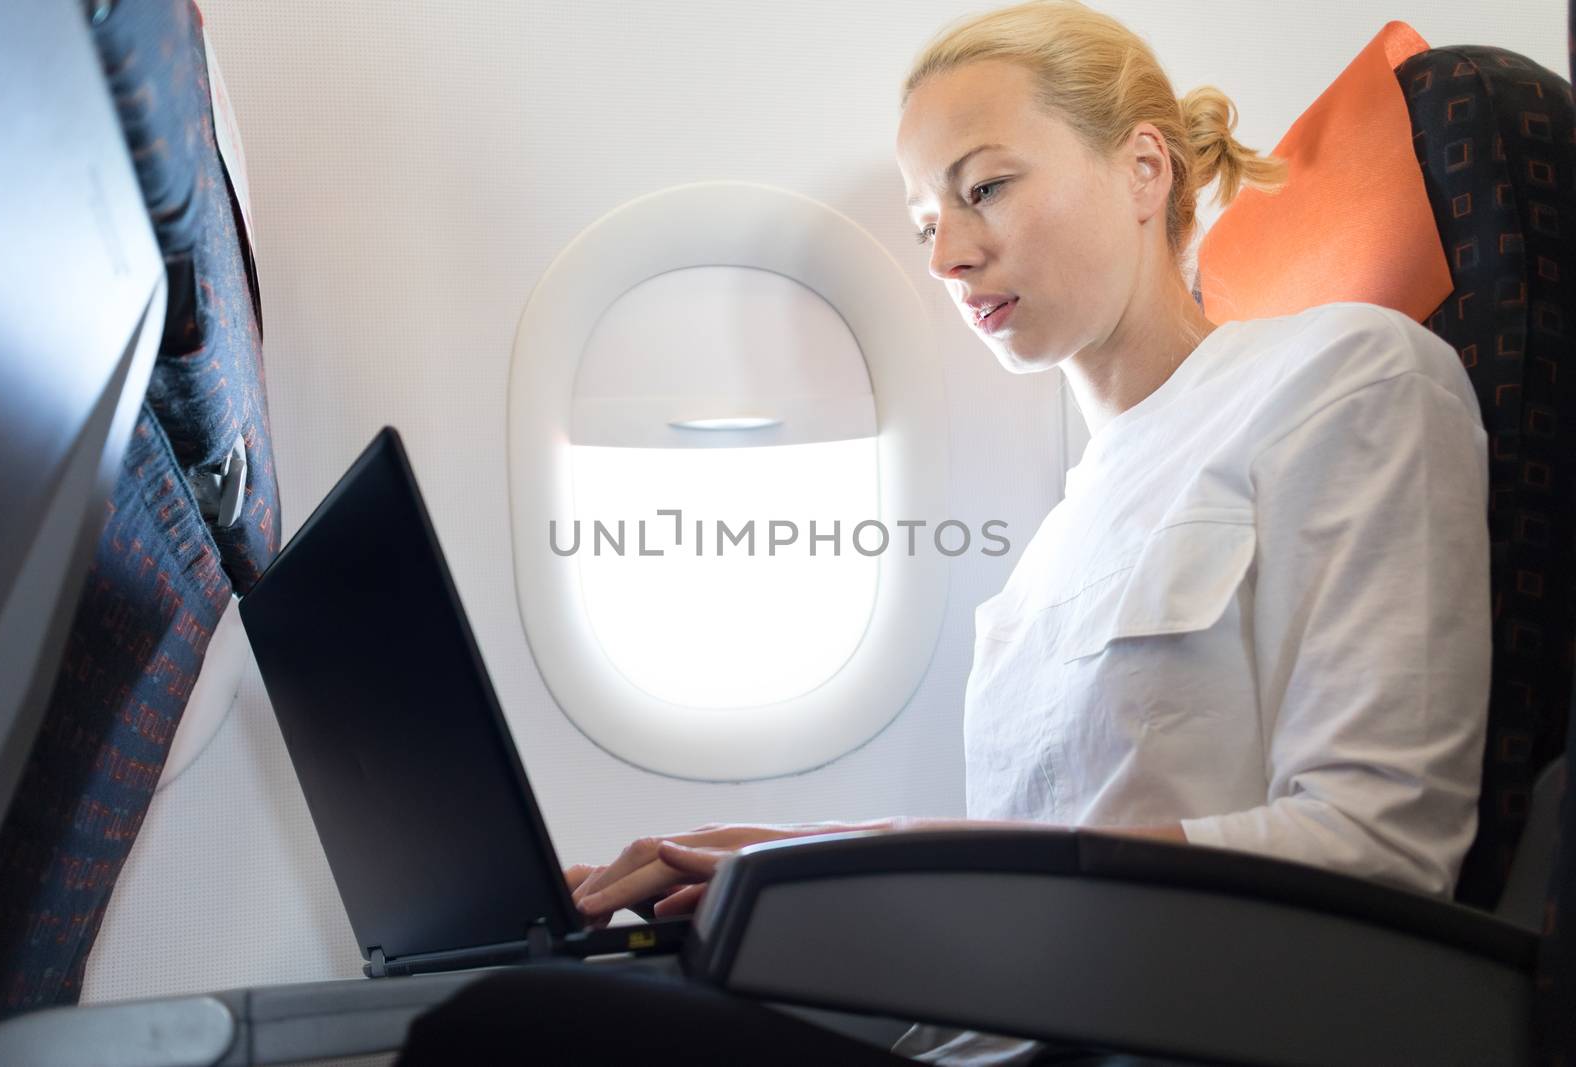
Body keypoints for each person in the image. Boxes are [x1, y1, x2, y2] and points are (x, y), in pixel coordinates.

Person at [405, 2, 1492, 1062]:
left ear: (1143, 170)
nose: (948, 256)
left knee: (507, 1028)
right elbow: (1023, 905)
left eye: (987, 189)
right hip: (979, 1035)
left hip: (1162, 1035)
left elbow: (1377, 851)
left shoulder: (1343, 374)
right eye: (929, 222)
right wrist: (785, 870)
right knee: (521, 997)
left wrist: (881, 857)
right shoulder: (1050, 549)